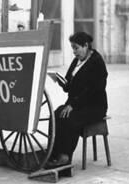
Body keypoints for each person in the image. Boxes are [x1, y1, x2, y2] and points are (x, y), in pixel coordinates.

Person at [46, 31, 108, 168]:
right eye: (72, 48)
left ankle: (65, 157)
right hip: (77, 104)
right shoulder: (77, 60)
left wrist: (73, 104)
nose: (74, 52)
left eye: (76, 48)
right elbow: (69, 86)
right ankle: (53, 153)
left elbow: (94, 90)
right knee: (56, 115)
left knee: (69, 118)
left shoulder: (97, 62)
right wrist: (61, 82)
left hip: (94, 106)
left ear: (86, 46)